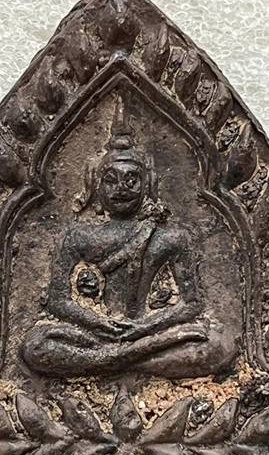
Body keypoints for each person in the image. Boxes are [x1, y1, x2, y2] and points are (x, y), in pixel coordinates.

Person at [22, 95, 238, 378]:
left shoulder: (171, 237)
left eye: (131, 180)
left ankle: (109, 363)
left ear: (147, 185)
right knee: (35, 345)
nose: (121, 189)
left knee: (221, 345)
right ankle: (131, 360)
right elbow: (58, 301)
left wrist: (143, 328)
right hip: (95, 334)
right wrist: (99, 323)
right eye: (110, 180)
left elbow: (191, 304)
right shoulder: (78, 236)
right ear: (95, 186)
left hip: (148, 332)